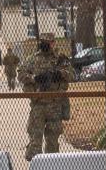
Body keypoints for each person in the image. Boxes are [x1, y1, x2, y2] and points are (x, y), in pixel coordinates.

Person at [17, 33, 71, 161]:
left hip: (55, 104)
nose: (49, 45)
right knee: (35, 139)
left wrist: (59, 73)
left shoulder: (60, 59)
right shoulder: (33, 59)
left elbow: (72, 74)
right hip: (38, 105)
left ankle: (51, 166)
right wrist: (34, 78)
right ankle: (36, 166)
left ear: (53, 43)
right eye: (46, 42)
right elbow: (20, 73)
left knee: (53, 140)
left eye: (50, 42)